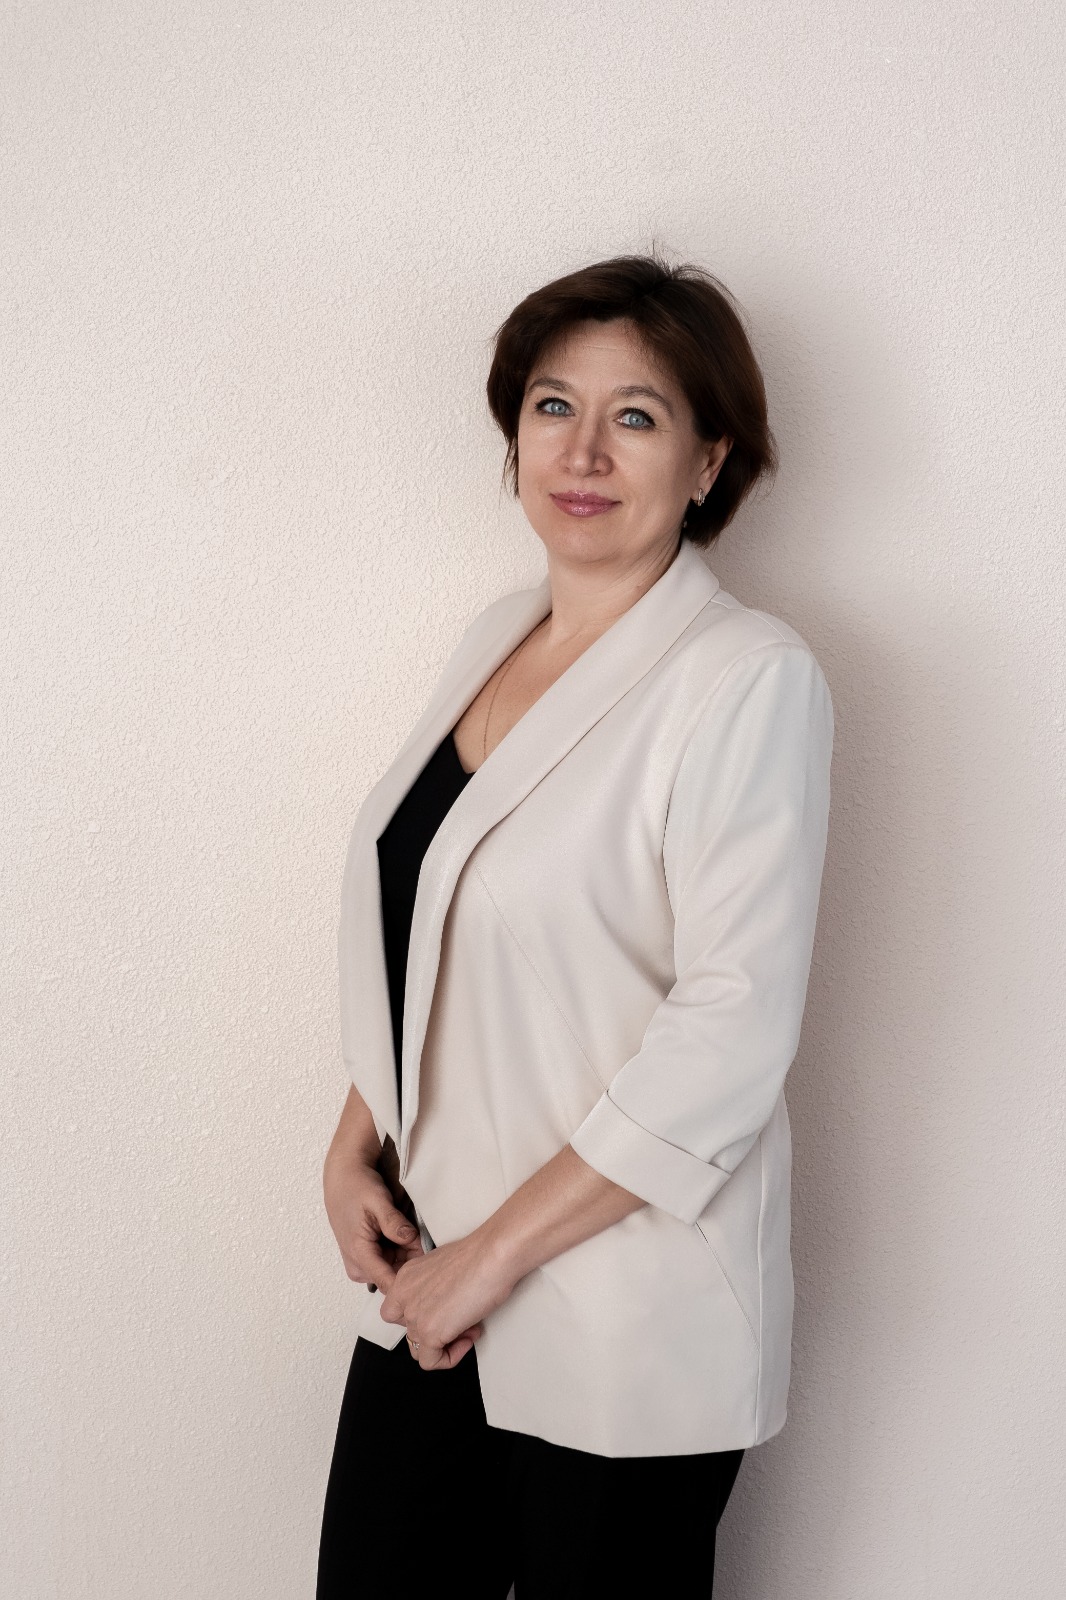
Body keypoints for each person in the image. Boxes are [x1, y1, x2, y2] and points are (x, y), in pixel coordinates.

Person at [317, 251, 834, 1598]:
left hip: (622, 1316)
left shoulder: (746, 678)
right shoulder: (498, 635)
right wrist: (359, 1130)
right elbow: (439, 916)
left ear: (709, 462)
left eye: (636, 416)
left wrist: (489, 1261)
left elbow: (729, 1033)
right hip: (434, 1279)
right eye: (553, 405)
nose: (583, 452)